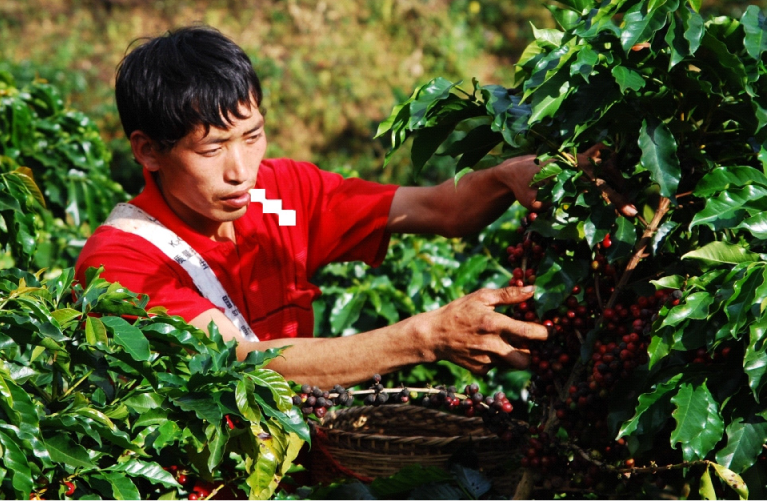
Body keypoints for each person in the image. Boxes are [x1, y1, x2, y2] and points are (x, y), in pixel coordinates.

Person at [76, 25, 588, 388]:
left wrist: (507, 175)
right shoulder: (121, 262)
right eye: (212, 149)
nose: (241, 170)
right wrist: (424, 337)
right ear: (148, 151)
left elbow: (440, 209)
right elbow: (238, 362)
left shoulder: (281, 194)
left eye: (252, 136)